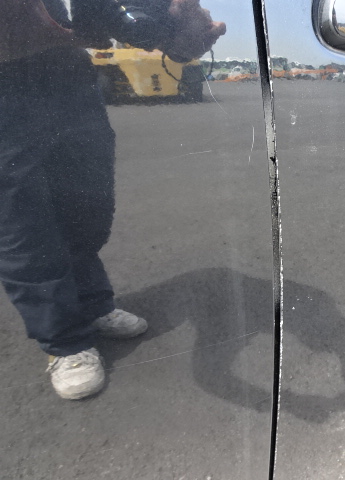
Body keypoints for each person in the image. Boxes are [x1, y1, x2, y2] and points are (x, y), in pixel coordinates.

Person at [0, 0, 225, 400]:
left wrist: (174, 19)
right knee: (24, 224)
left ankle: (92, 305)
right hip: (6, 79)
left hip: (68, 74)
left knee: (89, 205)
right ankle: (64, 341)